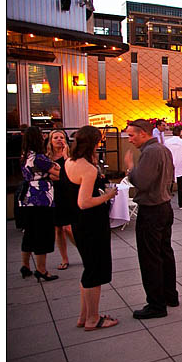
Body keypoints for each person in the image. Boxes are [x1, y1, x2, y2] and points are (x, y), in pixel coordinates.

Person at [64, 126, 119, 331]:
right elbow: (84, 202)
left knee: (89, 269)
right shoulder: (86, 168)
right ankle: (93, 318)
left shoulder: (70, 162)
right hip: (91, 225)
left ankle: (84, 315)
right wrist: (108, 195)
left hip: (80, 223)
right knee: (95, 271)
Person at [124, 119, 178, 319]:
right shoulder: (163, 149)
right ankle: (170, 295)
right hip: (164, 206)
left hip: (152, 209)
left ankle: (156, 304)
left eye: (131, 135)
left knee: (150, 258)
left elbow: (141, 181)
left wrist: (130, 169)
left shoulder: (150, 152)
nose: (129, 140)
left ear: (143, 134)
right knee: (165, 253)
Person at [18, 126, 61, 282]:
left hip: (26, 197)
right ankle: (42, 270)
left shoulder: (24, 155)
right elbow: (58, 172)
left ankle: (25, 266)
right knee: (42, 233)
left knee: (29, 232)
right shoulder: (40, 158)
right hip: (41, 197)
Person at [46, 129, 75, 270]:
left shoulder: (70, 156)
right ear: (50, 141)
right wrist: (61, 175)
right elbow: (49, 176)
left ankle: (84, 250)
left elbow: (71, 175)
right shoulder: (46, 158)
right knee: (58, 229)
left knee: (68, 228)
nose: (59, 139)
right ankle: (64, 259)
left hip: (68, 194)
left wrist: (64, 161)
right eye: (55, 137)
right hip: (53, 194)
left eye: (61, 137)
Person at [164, 127, 182, 209]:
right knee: (181, 185)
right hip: (181, 164)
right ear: (180, 133)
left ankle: (166, 203)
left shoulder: (167, 142)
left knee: (168, 185)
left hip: (170, 165)